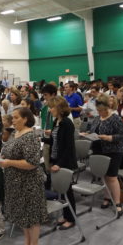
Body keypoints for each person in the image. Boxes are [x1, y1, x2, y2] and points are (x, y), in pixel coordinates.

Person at [0, 108, 47, 245]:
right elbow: (9, 150)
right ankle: (27, 243)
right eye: (12, 117)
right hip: (14, 181)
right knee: (22, 214)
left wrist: (9, 162)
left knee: (31, 214)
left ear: (25, 119)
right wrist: (1, 156)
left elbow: (32, 163)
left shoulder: (31, 136)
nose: (13, 120)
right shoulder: (15, 133)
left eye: (16, 117)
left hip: (29, 182)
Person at [85, 94, 123, 217]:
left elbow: (122, 136)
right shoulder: (97, 118)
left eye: (102, 110)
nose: (100, 112)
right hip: (99, 149)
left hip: (113, 150)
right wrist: (87, 134)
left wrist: (109, 137)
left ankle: (117, 203)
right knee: (104, 177)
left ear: (109, 107)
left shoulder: (115, 118)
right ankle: (107, 197)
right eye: (98, 110)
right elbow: (93, 131)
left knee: (112, 177)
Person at [43, 96, 77, 230]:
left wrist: (60, 164)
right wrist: (42, 138)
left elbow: (68, 147)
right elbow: (54, 141)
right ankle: (66, 215)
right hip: (57, 158)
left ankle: (71, 218)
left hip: (65, 161)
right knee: (61, 191)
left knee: (67, 191)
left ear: (59, 108)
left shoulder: (67, 123)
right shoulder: (57, 121)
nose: (50, 110)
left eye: (51, 107)